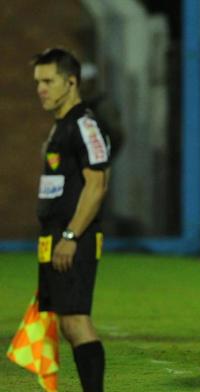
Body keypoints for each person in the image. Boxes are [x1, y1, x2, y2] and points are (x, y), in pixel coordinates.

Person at [33, 48, 111, 391]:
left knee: (77, 321)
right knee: (67, 323)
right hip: (54, 236)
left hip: (71, 237)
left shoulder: (84, 124)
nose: (41, 89)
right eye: (38, 82)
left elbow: (98, 184)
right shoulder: (61, 126)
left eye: (48, 81)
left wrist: (71, 235)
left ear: (72, 81)